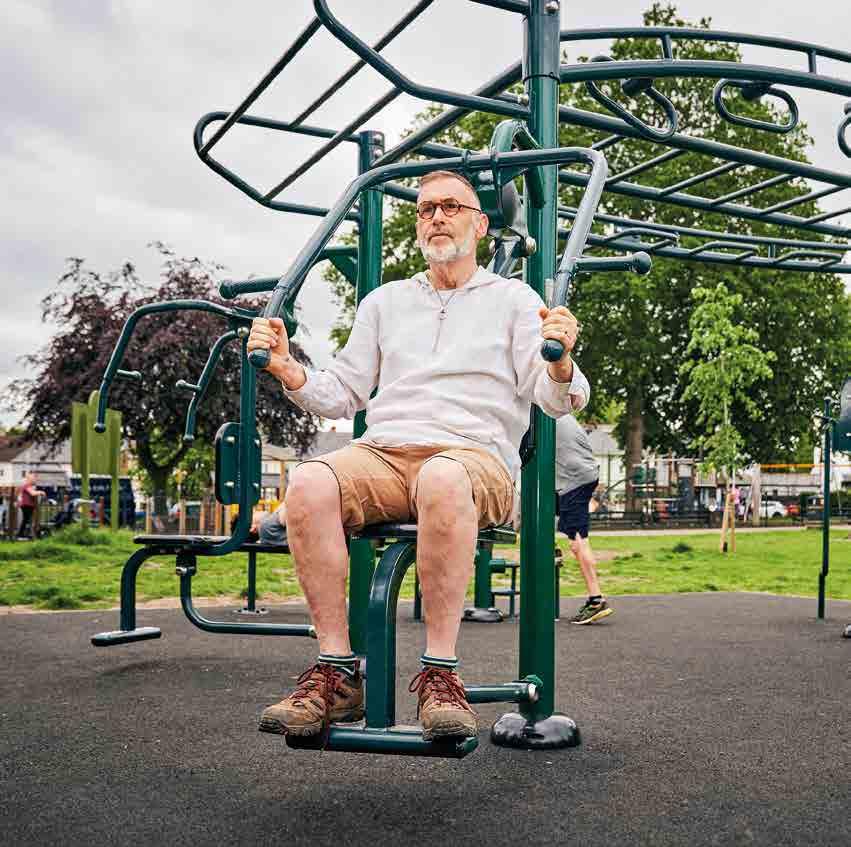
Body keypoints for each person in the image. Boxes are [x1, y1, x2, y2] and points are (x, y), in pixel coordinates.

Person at [247, 169, 590, 742]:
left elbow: (556, 399)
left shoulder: (514, 300)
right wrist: (287, 367)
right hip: (386, 453)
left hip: (472, 457)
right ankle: (337, 673)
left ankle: (440, 674)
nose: (436, 217)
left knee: (442, 477)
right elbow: (343, 391)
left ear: (480, 226)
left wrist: (561, 362)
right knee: (308, 482)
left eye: (452, 207)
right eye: (426, 209)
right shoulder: (386, 302)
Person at [555, 415, 613, 625]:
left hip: (574, 480)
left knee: (578, 542)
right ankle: (551, 550)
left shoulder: (543, 412)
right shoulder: (560, 411)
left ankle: (596, 599)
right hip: (578, 476)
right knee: (545, 511)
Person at [17, 472, 45, 540]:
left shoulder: (30, 486)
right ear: (29, 479)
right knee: (27, 520)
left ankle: (24, 534)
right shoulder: (26, 486)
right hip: (26, 505)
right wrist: (41, 492)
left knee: (27, 520)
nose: (35, 480)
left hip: (29, 505)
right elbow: (32, 493)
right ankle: (22, 534)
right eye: (34, 479)